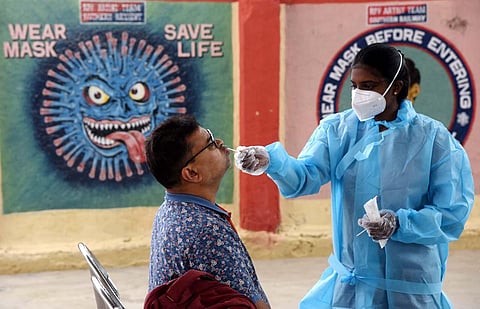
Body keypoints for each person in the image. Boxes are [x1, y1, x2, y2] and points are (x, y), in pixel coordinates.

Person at [234, 43, 474, 308]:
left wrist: (400, 224)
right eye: (355, 86)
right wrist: (272, 162)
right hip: (351, 287)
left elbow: (451, 213)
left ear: (396, 86)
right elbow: (304, 177)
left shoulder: (434, 140)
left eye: (369, 86)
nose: (359, 94)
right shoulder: (337, 131)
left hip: (411, 287)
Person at [144, 114, 270, 309]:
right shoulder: (207, 230)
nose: (220, 143)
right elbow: (247, 302)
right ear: (192, 173)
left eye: (212, 136)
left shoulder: (168, 210)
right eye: (210, 144)